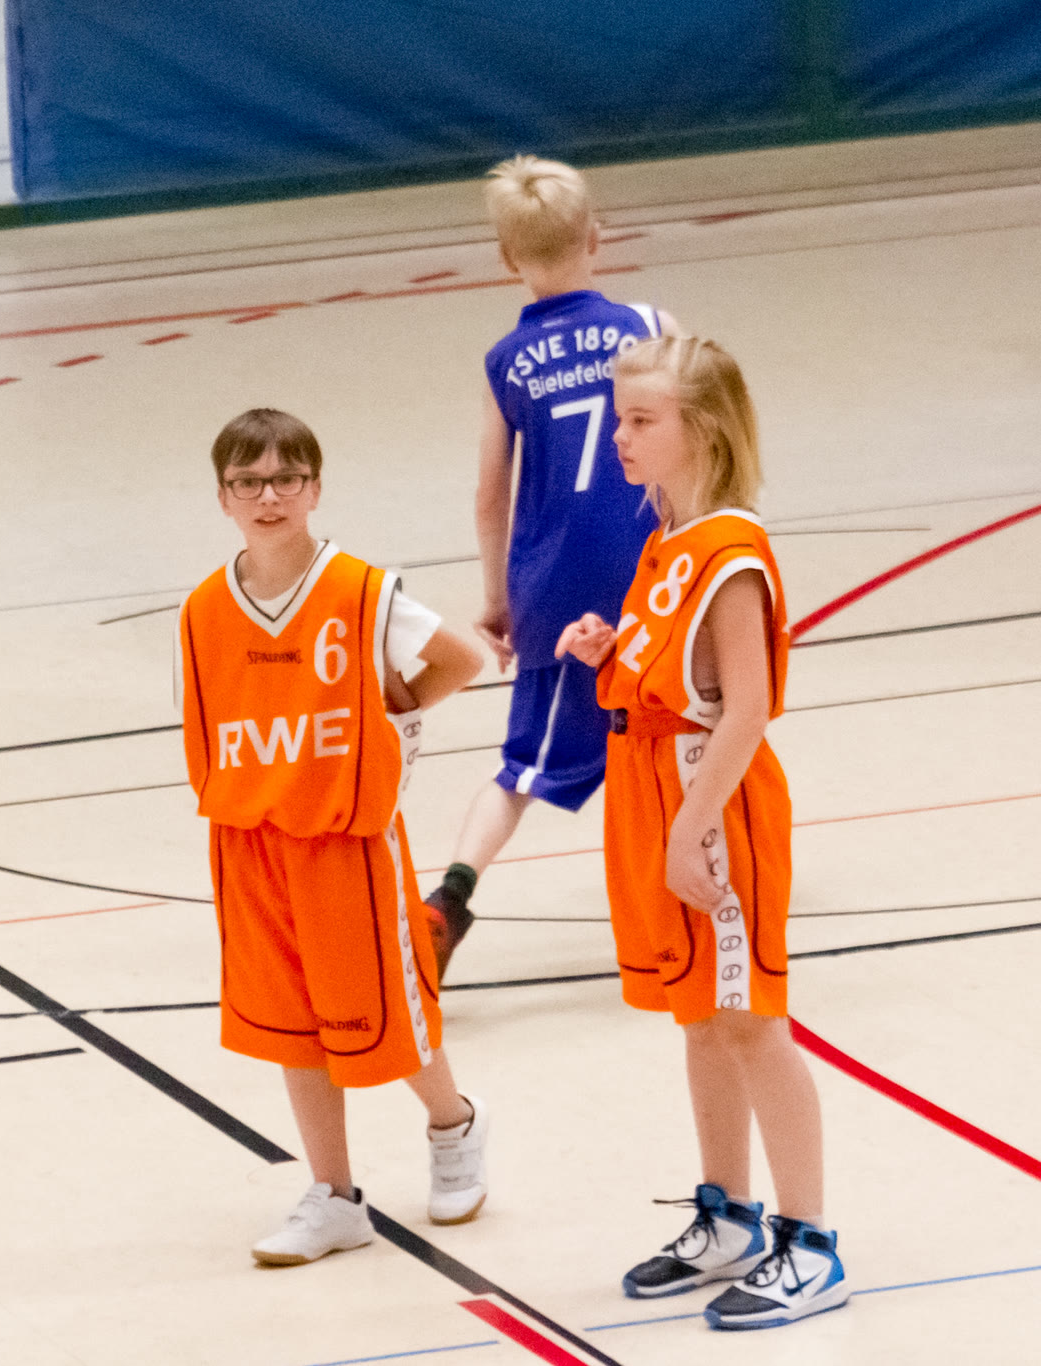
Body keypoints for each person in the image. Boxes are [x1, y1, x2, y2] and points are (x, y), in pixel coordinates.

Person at [556, 336, 847, 1329]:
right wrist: (610, 649)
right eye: (620, 418)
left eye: (642, 420)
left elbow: (746, 707)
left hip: (708, 803)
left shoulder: (729, 552)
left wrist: (690, 828)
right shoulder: (666, 537)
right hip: (654, 794)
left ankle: (811, 1244)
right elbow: (676, 676)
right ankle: (726, 1217)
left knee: (750, 1021)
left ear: (704, 430)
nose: (620, 436)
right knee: (699, 1017)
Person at [177, 408, 490, 1266]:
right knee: (292, 1027)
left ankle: (454, 1124)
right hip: (253, 838)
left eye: (286, 479)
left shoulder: (359, 591)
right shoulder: (203, 609)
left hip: (346, 837)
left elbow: (463, 657)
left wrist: (391, 711)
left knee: (384, 1013)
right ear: (222, 498)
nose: (268, 497)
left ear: (315, 488)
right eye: (248, 482)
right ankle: (336, 1196)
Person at [424, 155, 680, 978]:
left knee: (523, 768)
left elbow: (489, 494)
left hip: (555, 586)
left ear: (508, 258)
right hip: (652, 569)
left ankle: (450, 896)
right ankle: (694, 880)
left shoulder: (506, 360)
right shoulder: (647, 324)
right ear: (596, 237)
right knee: (682, 727)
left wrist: (498, 599)